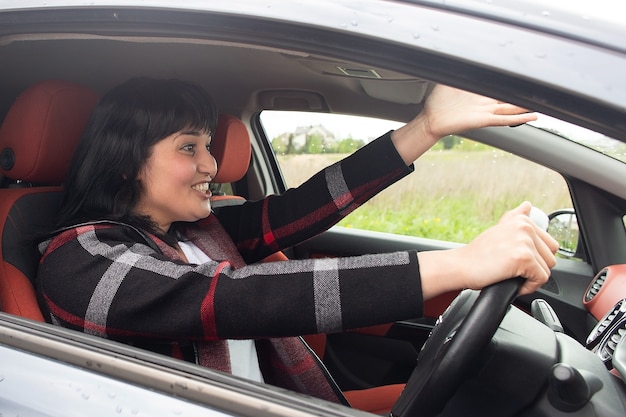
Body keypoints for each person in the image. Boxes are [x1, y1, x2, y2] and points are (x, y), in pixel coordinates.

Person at [36, 78, 558, 404]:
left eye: (210, 146)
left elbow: (305, 206)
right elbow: (235, 298)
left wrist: (424, 127)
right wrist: (461, 265)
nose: (211, 166)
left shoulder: (195, 232)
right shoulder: (79, 261)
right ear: (127, 163)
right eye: (188, 147)